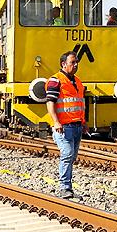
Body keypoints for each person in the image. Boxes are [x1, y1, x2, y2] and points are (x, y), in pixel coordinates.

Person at [45, 51, 86, 199]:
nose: (75, 65)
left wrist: (83, 122)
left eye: (76, 63)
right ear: (63, 64)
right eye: (72, 62)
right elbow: (50, 103)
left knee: (72, 156)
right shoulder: (56, 81)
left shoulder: (77, 81)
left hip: (76, 126)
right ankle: (65, 188)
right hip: (63, 127)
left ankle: (67, 186)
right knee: (67, 154)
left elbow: (80, 103)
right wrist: (56, 122)